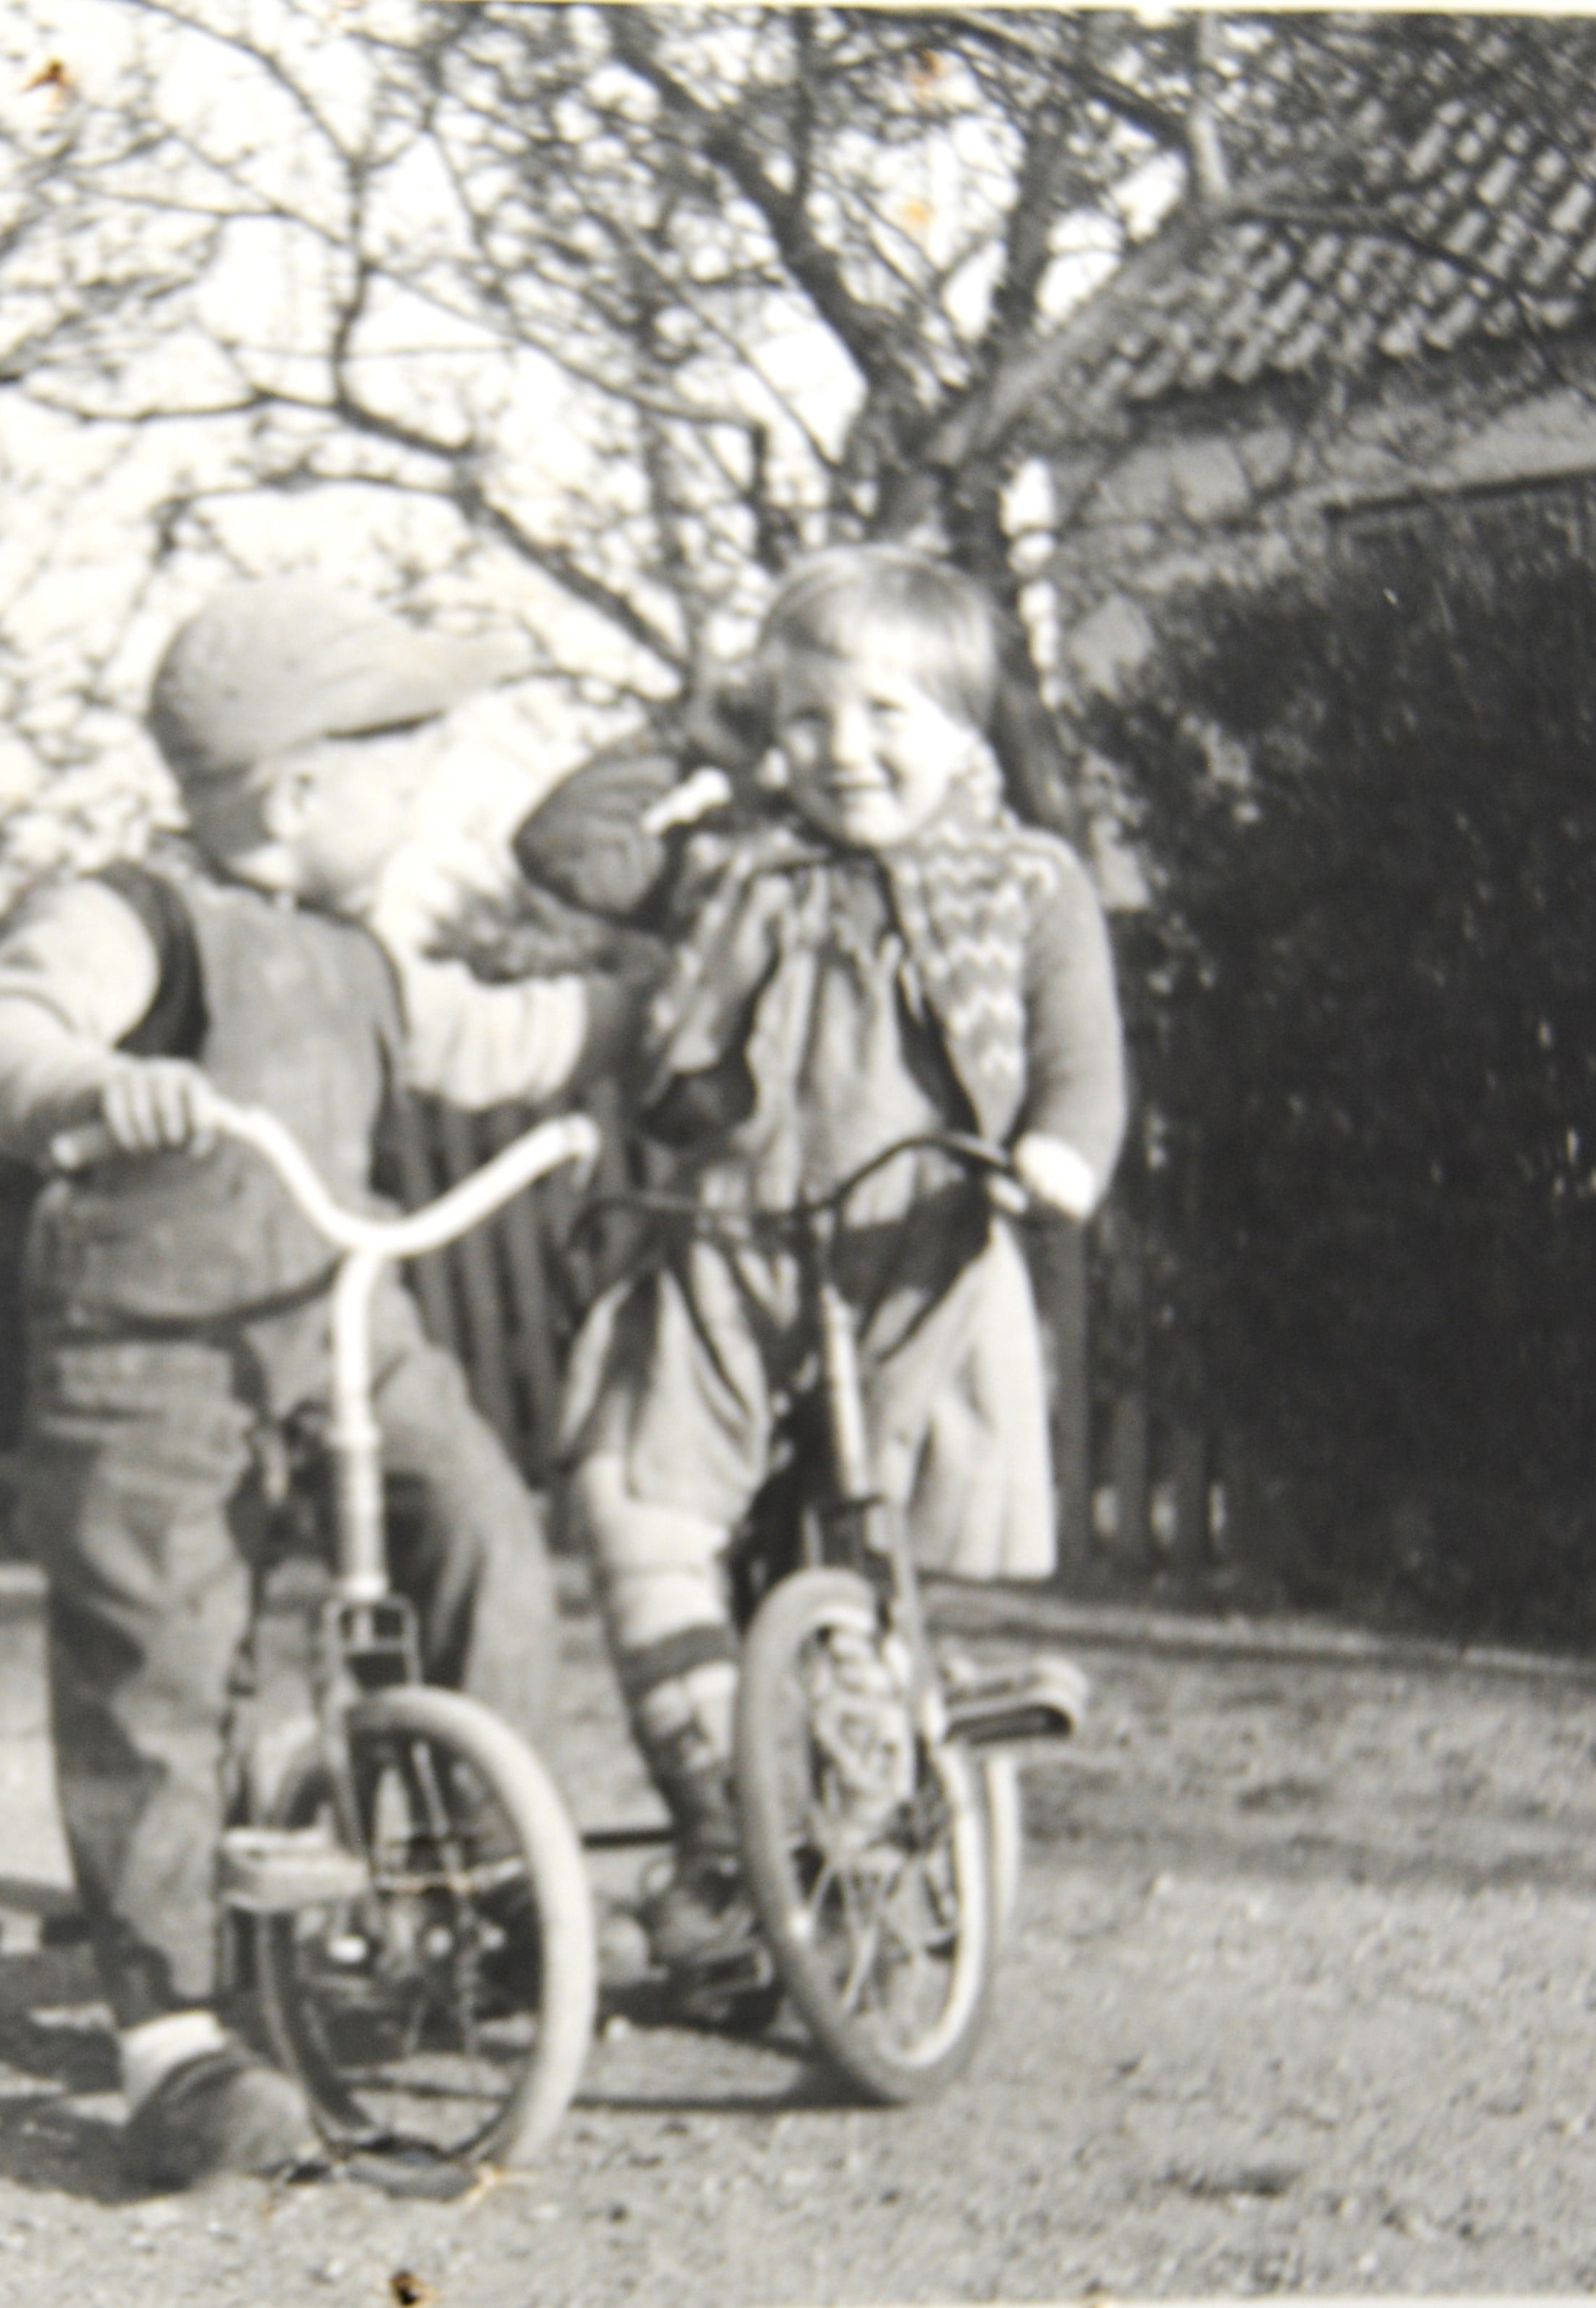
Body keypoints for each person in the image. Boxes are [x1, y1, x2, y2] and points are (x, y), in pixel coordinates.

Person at [0, 580, 632, 2188]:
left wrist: (644, 1012)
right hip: (153, 1346)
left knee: (479, 1521)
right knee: (160, 1654)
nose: (421, 809)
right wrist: (103, 1081)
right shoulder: (130, 920)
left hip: (337, 1312)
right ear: (298, 790)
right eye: (405, 777)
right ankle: (170, 2037)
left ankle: (467, 1874)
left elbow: (495, 1037)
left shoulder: (362, 954)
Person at [513, 544, 1127, 2010]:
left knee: (846, 1560)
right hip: (724, 1245)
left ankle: (855, 1842)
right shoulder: (729, 858)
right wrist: (697, 727)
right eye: (807, 720)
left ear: (970, 732)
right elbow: (560, 846)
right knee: (644, 1507)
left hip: (906, 1251)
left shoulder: (1027, 883)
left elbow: (1080, 1057)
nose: (841, 753)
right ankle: (736, 1831)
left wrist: (1059, 1152)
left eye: (887, 716)